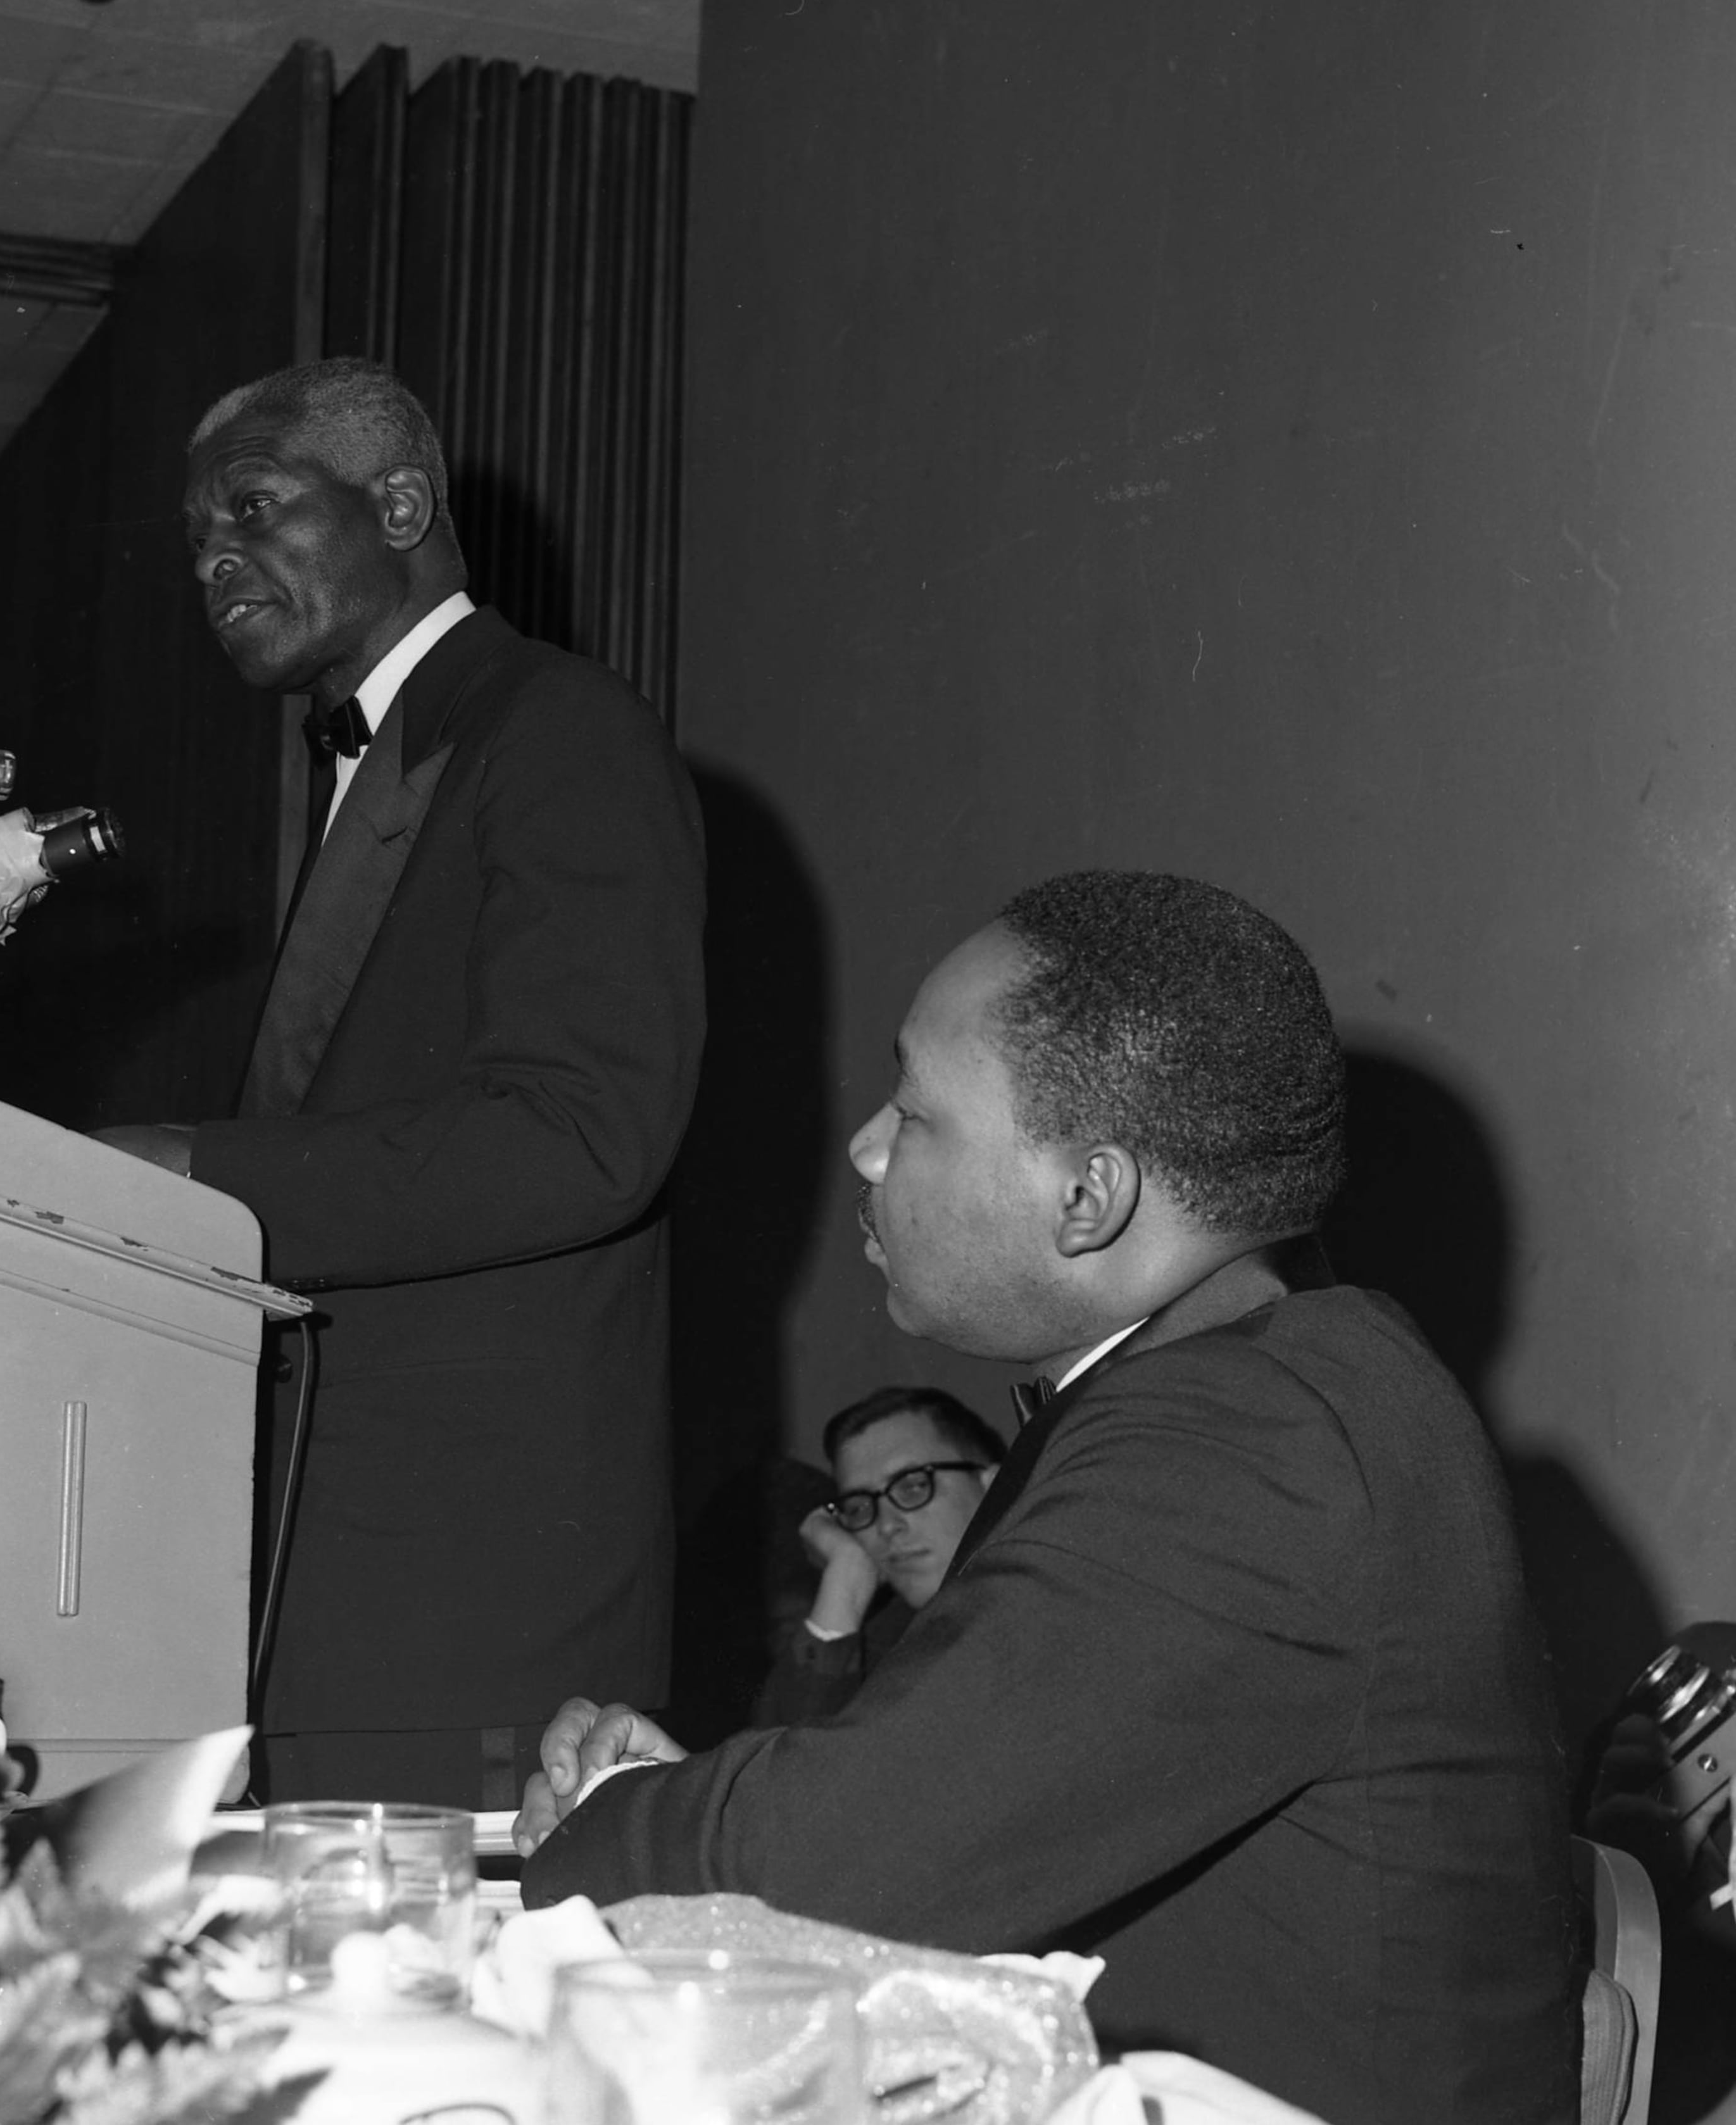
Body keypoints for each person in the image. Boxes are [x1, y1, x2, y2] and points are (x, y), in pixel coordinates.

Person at [519, 870, 1578, 2125]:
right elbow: (933, 1798)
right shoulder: (1262, 1379)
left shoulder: (1245, 1437)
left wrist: (605, 1821)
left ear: (1090, 1198)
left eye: (914, 1110)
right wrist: (732, 1803)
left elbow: (845, 1858)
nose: (866, 1146)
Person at [91, 357, 706, 1810]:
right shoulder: (390, 765)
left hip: (467, 1617)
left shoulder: (556, 730)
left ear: (401, 504)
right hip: (329, 1601)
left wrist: (183, 1173)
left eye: (251, 507)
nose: (213, 559)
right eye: (195, 539)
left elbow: (582, 1135)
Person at [750, 1386, 1002, 1728]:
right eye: (859, 1506)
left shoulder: (1065, 1598)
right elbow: (778, 1771)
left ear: (994, 1486)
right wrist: (847, 1576)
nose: (886, 1525)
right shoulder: (884, 1646)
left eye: (913, 1485)